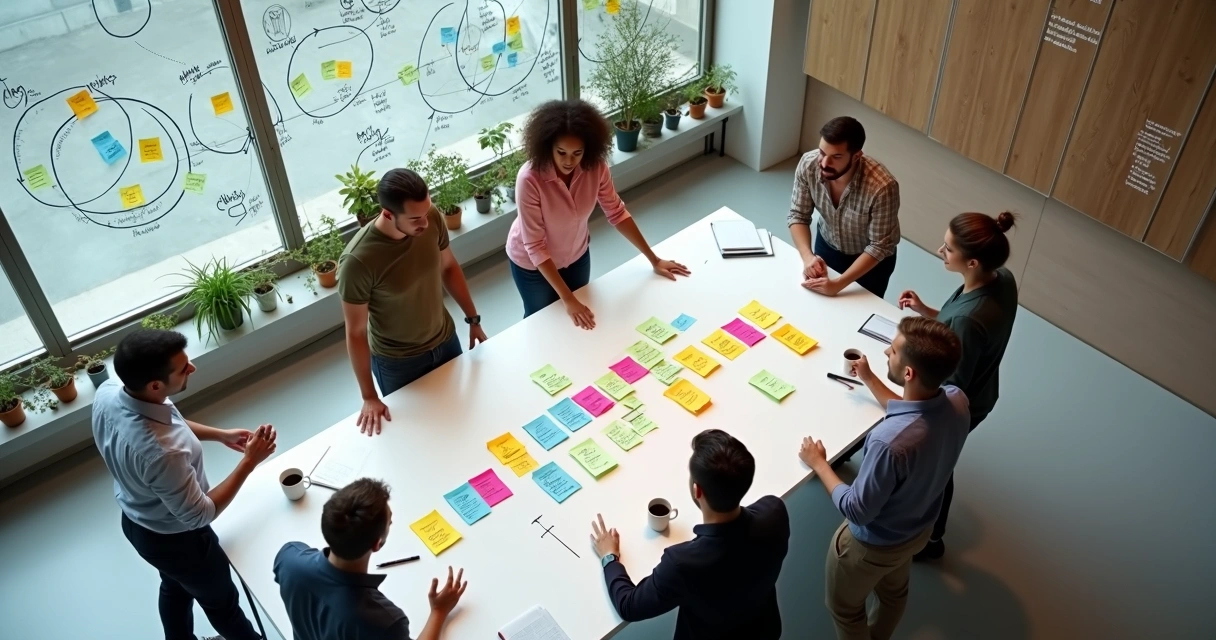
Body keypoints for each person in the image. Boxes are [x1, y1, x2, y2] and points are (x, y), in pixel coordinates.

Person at [92, 329, 278, 640]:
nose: (192, 369)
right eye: (183, 368)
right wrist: (249, 462)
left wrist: (221, 434)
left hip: (137, 524)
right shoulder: (162, 453)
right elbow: (199, 514)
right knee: (224, 607)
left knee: (175, 586)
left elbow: (167, 421)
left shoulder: (108, 393)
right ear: (155, 384)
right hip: (181, 544)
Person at [798, 317, 968, 640]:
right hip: (917, 531)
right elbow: (915, 409)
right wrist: (870, 378)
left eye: (893, 350)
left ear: (908, 373)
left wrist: (820, 464)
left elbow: (857, 509)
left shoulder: (887, 442)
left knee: (846, 611)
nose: (886, 351)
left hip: (870, 547)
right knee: (893, 595)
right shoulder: (958, 400)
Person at [897, 211, 1019, 560]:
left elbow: (949, 387)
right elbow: (958, 325)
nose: (940, 250)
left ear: (973, 261)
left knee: (938, 466)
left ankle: (932, 540)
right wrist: (926, 311)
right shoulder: (1002, 279)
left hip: (961, 404)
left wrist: (900, 381)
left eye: (948, 249)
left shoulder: (969, 318)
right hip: (983, 388)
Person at [507, 99, 690, 329]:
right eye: (561, 152)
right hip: (533, 265)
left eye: (577, 153)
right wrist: (568, 299)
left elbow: (616, 211)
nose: (569, 161)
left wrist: (654, 259)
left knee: (583, 315)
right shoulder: (529, 179)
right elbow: (535, 246)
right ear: (548, 146)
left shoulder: (596, 167)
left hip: (576, 255)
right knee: (542, 323)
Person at [590, 429, 790, 640]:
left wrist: (609, 557)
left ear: (697, 490)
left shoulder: (682, 564)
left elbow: (629, 605)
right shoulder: (775, 513)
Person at [340, 168, 488, 436]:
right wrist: (369, 396)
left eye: (427, 211)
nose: (426, 222)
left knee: (464, 419)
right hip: (398, 362)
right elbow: (356, 332)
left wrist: (473, 319)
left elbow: (449, 267)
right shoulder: (357, 262)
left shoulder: (428, 217)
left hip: (445, 341)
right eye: (415, 219)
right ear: (387, 214)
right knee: (420, 436)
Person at [274, 478, 468, 640]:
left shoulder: (289, 557)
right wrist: (438, 612)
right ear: (377, 544)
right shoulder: (384, 622)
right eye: (389, 522)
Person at [787, 116, 901, 298]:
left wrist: (838, 284)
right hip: (827, 245)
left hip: (870, 261)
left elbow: (879, 246)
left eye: (836, 157)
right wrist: (808, 257)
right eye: (822, 153)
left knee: (859, 316)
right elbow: (798, 215)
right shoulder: (808, 165)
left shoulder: (883, 187)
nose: (824, 163)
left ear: (856, 156)